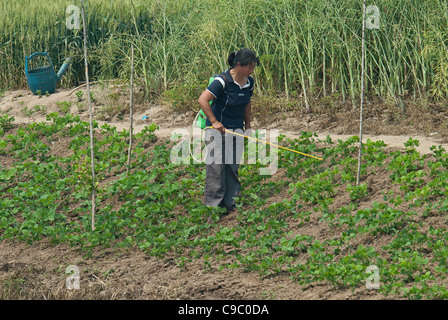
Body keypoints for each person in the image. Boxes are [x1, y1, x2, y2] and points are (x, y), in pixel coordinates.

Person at [197, 48, 259, 219]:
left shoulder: (249, 82)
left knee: (232, 168)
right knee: (216, 169)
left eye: (253, 67)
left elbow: (247, 102)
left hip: (236, 130)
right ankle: (214, 207)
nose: (252, 70)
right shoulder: (222, 81)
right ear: (238, 65)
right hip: (216, 131)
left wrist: (247, 124)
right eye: (250, 67)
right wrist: (215, 121)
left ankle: (230, 204)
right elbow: (203, 100)